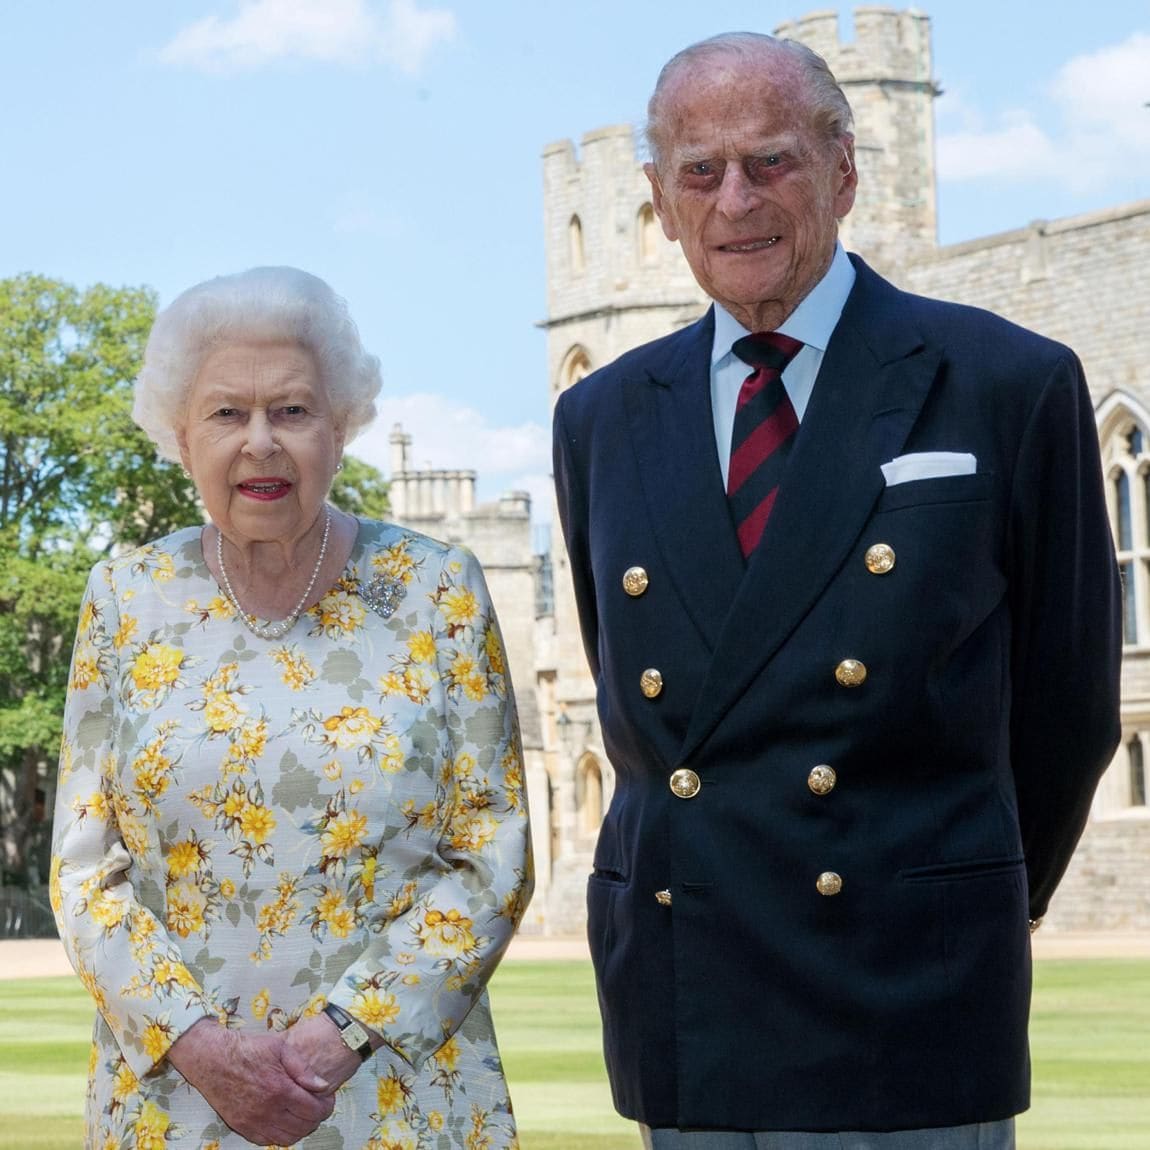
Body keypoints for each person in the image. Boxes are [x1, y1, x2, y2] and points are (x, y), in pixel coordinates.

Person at [552, 32, 1121, 1150]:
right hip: (689, 996)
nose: (735, 202)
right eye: (699, 173)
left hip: (905, 992)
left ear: (844, 173)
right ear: (657, 205)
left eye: (770, 162)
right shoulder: (602, 415)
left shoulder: (1005, 381)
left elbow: (1067, 707)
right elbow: (635, 693)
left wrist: (964, 893)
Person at [51, 266, 532, 1149]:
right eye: (227, 413)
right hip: (177, 1101)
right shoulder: (123, 596)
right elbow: (84, 870)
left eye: (294, 411)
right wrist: (201, 1048)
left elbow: (493, 854)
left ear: (341, 428)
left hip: (401, 1093)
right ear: (180, 436)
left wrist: (340, 1033)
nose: (261, 442)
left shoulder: (437, 590)